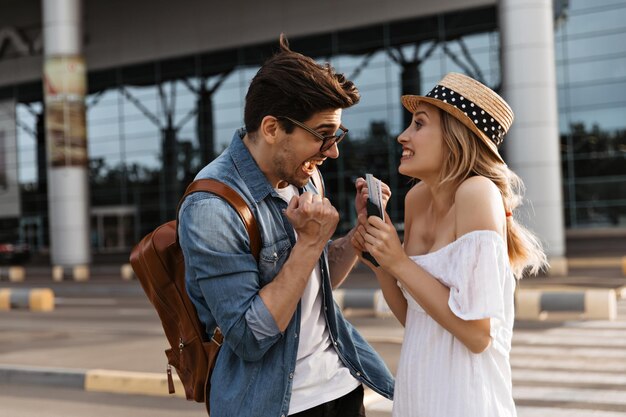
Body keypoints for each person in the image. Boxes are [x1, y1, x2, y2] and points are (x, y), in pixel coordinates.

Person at [178, 34, 394, 417]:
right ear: (273, 128)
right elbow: (249, 337)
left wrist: (354, 240)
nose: (333, 151)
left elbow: (312, 283)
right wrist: (309, 243)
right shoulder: (212, 208)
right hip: (277, 405)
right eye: (323, 135)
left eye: (336, 135)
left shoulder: (305, 176)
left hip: (342, 385)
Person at [352, 72, 548, 417]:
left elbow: (476, 335)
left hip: (466, 402)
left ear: (456, 137)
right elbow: (415, 318)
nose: (402, 136)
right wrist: (380, 262)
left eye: (419, 124)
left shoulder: (477, 193)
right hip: (418, 398)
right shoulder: (416, 199)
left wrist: (398, 262)